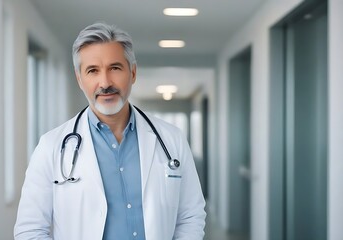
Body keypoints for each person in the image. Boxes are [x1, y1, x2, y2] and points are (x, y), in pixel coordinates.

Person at [14, 22, 206, 240]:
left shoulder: (172, 139)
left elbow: (191, 216)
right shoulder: (51, 147)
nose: (105, 82)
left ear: (132, 72)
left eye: (115, 68)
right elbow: (30, 231)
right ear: (79, 79)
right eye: (92, 71)